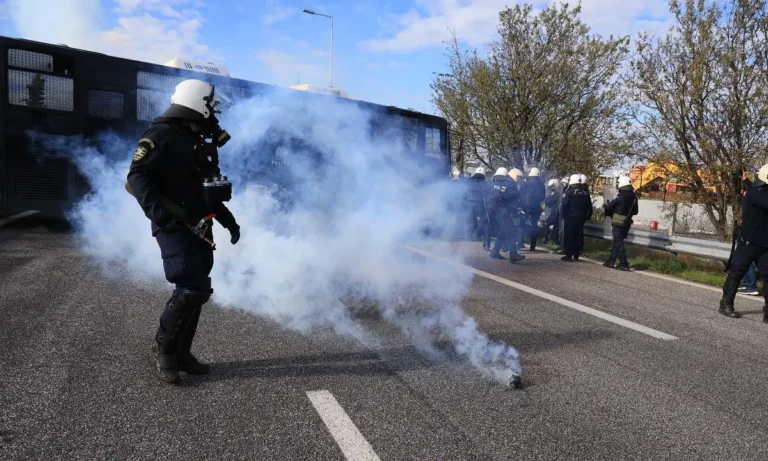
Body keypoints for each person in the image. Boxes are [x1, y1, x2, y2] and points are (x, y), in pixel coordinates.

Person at [126, 79, 241, 384]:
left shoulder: (199, 139)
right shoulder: (161, 134)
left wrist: (227, 219)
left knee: (199, 288)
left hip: (201, 223)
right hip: (173, 224)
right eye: (210, 105)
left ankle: (182, 353)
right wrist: (163, 216)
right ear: (196, 102)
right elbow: (137, 178)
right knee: (190, 286)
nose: (213, 112)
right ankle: (163, 350)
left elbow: (205, 190)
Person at [719, 164, 768, 321]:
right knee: (736, 273)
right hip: (749, 243)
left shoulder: (759, 191)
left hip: (765, 244)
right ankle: (726, 304)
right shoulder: (756, 193)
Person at [488, 167, 525, 263]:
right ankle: (513, 255)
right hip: (505, 211)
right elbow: (509, 196)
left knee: (502, 233)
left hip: (499, 211)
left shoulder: (501, 183)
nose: (520, 180)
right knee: (511, 232)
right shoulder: (511, 184)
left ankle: (495, 252)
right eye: (519, 177)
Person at [602, 175, 638, 271]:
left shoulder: (621, 195)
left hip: (618, 222)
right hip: (627, 222)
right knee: (617, 242)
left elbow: (609, 207)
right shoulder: (634, 197)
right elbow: (635, 211)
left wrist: (608, 208)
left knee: (618, 242)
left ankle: (624, 264)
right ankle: (611, 261)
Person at [561, 173, 592, 262]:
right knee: (578, 236)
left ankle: (568, 256)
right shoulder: (585, 192)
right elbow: (589, 206)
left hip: (570, 217)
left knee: (569, 236)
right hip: (581, 218)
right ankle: (576, 255)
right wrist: (586, 216)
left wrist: (564, 215)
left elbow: (565, 204)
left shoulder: (569, 192)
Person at [521, 167, 546, 251]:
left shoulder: (525, 184)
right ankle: (532, 246)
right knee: (534, 226)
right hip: (536, 207)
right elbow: (543, 197)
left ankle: (520, 242)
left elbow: (521, 195)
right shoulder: (541, 185)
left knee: (522, 224)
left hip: (526, 206)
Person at [466, 166, 487, 240]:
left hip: (469, 202)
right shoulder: (484, 182)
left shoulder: (468, 181)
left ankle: (469, 235)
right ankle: (477, 234)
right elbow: (486, 192)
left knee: (471, 219)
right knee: (483, 219)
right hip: (479, 203)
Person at [543, 179, 560, 244]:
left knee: (547, 223)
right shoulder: (558, 193)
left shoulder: (556, 194)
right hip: (557, 213)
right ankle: (555, 241)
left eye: (553, 187)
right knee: (556, 227)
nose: (552, 189)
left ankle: (546, 238)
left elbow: (548, 202)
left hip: (555, 213)